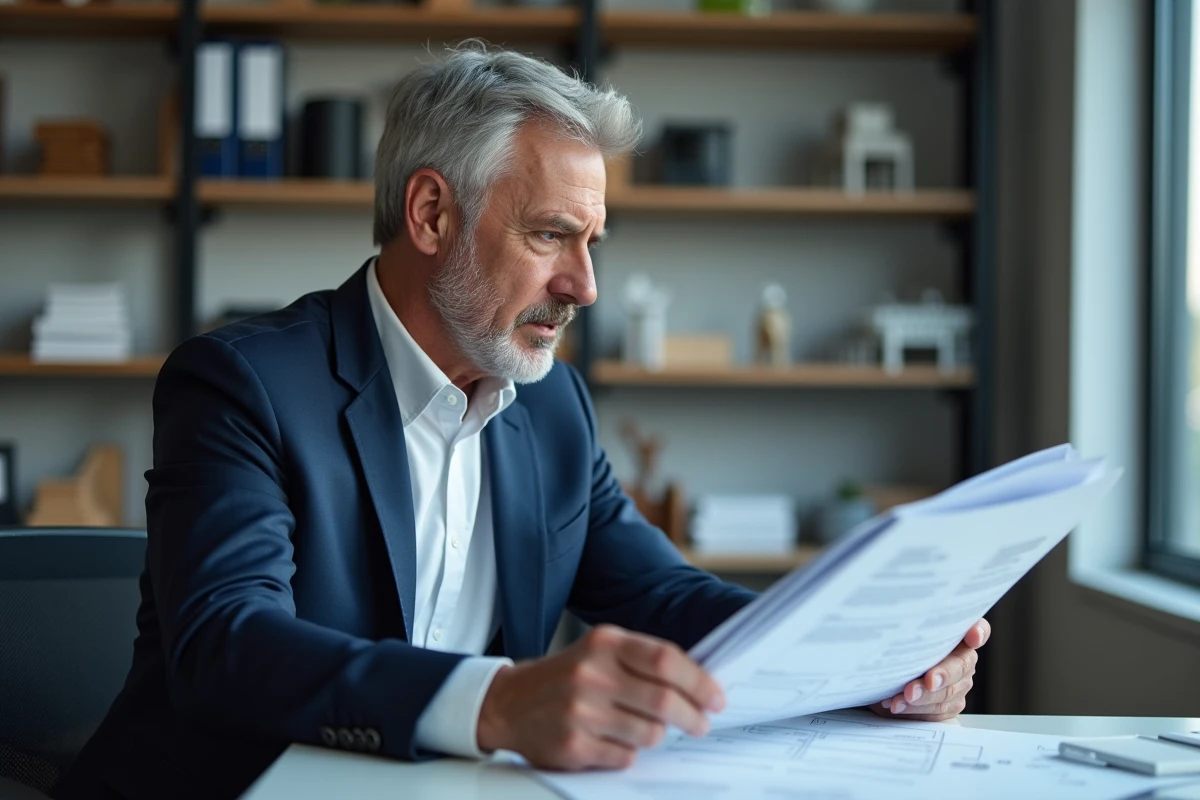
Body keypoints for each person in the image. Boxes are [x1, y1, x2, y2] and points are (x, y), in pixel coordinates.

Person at [56, 43, 989, 800]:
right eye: (550, 235)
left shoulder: (552, 408)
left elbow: (664, 597)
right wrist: (496, 703)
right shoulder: (243, 384)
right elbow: (226, 644)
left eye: (593, 244)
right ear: (430, 213)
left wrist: (872, 662)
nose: (585, 286)